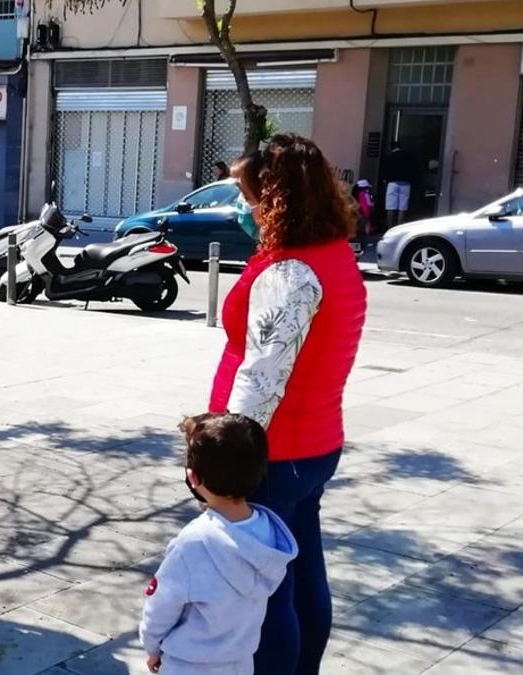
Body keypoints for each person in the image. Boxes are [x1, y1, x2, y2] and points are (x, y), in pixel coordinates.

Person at [217, 134, 366, 674]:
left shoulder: (289, 273)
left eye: (247, 194)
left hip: (273, 455)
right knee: (303, 575)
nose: (242, 207)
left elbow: (262, 377)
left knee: (267, 592)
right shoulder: (333, 257)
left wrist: (221, 459)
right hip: (315, 445)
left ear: (275, 199)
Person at [141, 413, 298, 675]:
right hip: (240, 662)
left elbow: (161, 607)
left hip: (187, 665)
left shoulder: (193, 543)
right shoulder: (270, 534)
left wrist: (152, 647)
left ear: (193, 478)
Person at [383, 141, 417, 228]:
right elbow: (413, 169)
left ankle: (389, 227)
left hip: (392, 183)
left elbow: (386, 170)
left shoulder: (390, 156)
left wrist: (385, 179)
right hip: (405, 183)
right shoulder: (408, 155)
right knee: (402, 207)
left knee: (390, 206)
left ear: (391, 148)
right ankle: (399, 227)